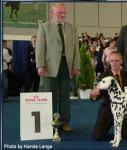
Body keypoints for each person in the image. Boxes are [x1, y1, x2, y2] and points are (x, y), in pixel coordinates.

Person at [35, 3, 80, 132]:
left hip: (67, 66)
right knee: (51, 96)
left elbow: (76, 48)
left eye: (64, 12)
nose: (63, 15)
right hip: (49, 68)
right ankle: (51, 123)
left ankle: (65, 122)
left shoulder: (72, 28)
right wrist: (40, 65)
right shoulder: (44, 27)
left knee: (66, 96)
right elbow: (40, 48)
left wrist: (76, 65)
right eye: (60, 12)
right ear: (52, 13)